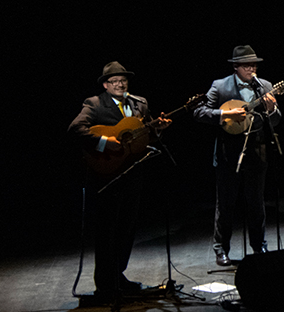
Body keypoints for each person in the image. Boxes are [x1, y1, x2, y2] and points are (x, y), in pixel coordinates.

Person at [68, 61, 171, 299]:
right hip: (106, 175)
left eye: (123, 80)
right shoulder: (94, 103)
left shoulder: (139, 103)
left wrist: (160, 129)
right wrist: (105, 142)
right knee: (107, 230)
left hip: (133, 173)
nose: (120, 84)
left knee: (127, 229)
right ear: (105, 85)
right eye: (114, 81)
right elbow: (75, 129)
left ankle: (117, 275)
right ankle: (105, 283)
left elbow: (145, 137)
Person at [193, 45, 281, 266]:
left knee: (256, 202)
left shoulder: (266, 86)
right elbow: (200, 112)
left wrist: (271, 110)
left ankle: (259, 245)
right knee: (226, 203)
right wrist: (225, 113)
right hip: (228, 152)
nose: (251, 68)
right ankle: (221, 249)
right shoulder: (220, 86)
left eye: (254, 64)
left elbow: (276, 120)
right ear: (236, 66)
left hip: (257, 150)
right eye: (246, 65)